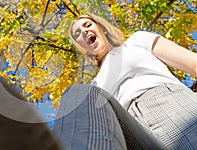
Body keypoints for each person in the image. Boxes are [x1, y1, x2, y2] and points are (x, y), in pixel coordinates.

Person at [53, 13, 197, 150]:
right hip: (129, 133)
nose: (84, 31)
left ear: (101, 28)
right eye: (77, 34)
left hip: (172, 106)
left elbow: (193, 63)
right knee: (76, 94)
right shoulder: (94, 86)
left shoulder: (136, 41)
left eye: (87, 25)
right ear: (80, 45)